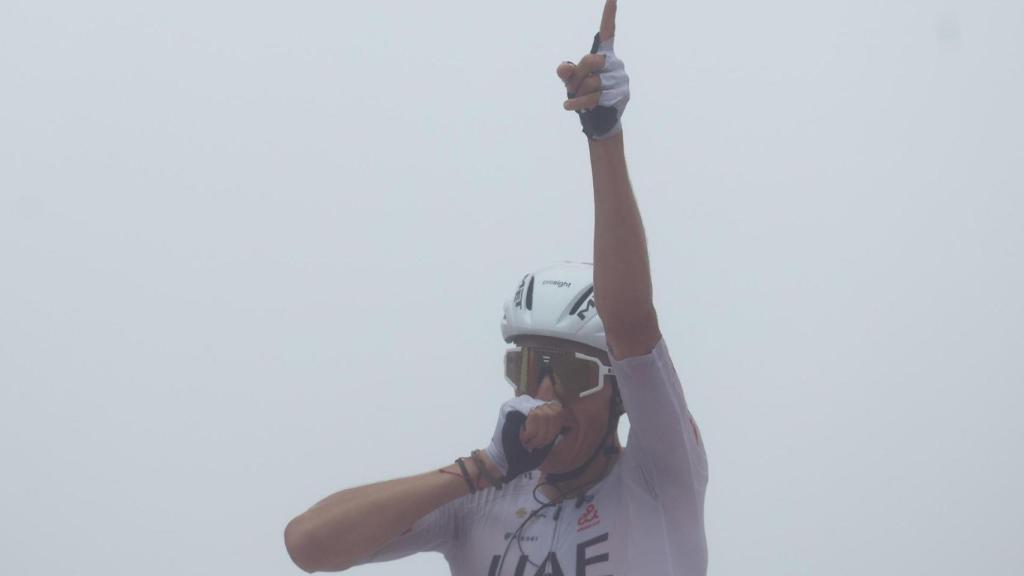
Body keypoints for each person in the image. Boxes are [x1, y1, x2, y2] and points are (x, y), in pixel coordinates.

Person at [283, 1, 709, 574]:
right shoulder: (481, 499)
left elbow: (632, 327)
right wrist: (481, 468)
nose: (545, 392)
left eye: (574, 373)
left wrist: (604, 136)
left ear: (619, 395)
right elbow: (307, 545)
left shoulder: (659, 476)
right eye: (527, 366)